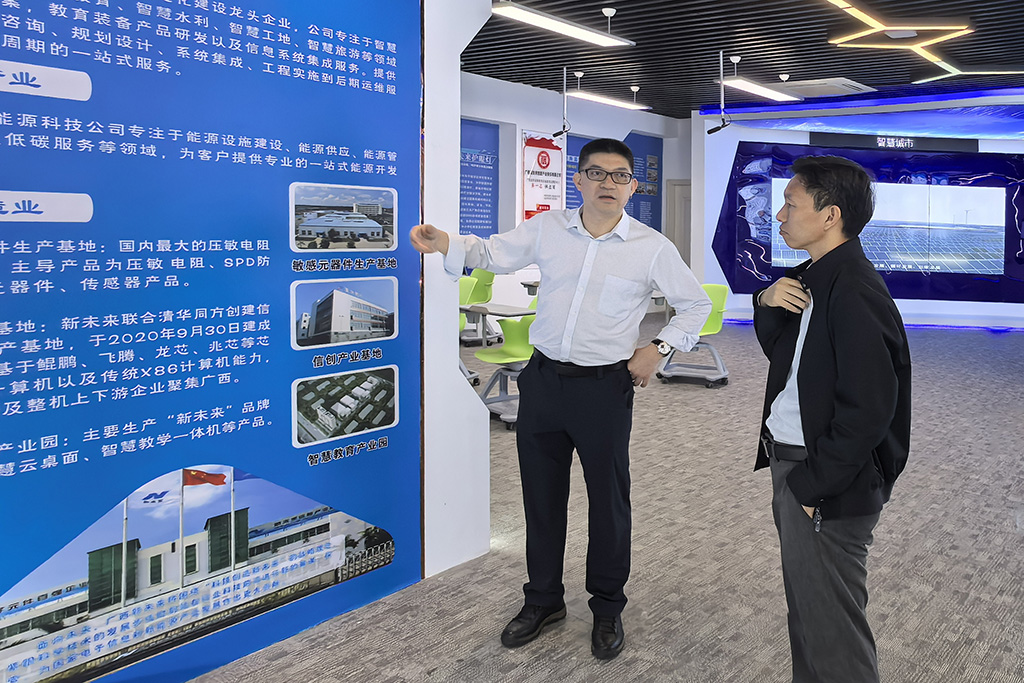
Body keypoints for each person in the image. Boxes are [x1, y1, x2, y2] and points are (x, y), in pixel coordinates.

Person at [410, 138, 710, 660]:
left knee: (608, 502)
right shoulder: (548, 228)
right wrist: (444, 242)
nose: (608, 184)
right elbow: (491, 253)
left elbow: (695, 305)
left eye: (620, 176)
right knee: (541, 498)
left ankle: (608, 605)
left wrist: (657, 349)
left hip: (603, 389)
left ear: (633, 186)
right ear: (579, 180)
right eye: (597, 173)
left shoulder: (652, 247)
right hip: (544, 381)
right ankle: (543, 599)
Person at [753, 156, 911, 682]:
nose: (779, 215)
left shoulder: (855, 291)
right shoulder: (813, 277)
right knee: (809, 614)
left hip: (822, 480)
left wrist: (812, 487)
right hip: (797, 465)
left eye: (790, 204)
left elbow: (869, 410)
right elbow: (787, 356)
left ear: (829, 215)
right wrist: (766, 299)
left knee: (834, 634)